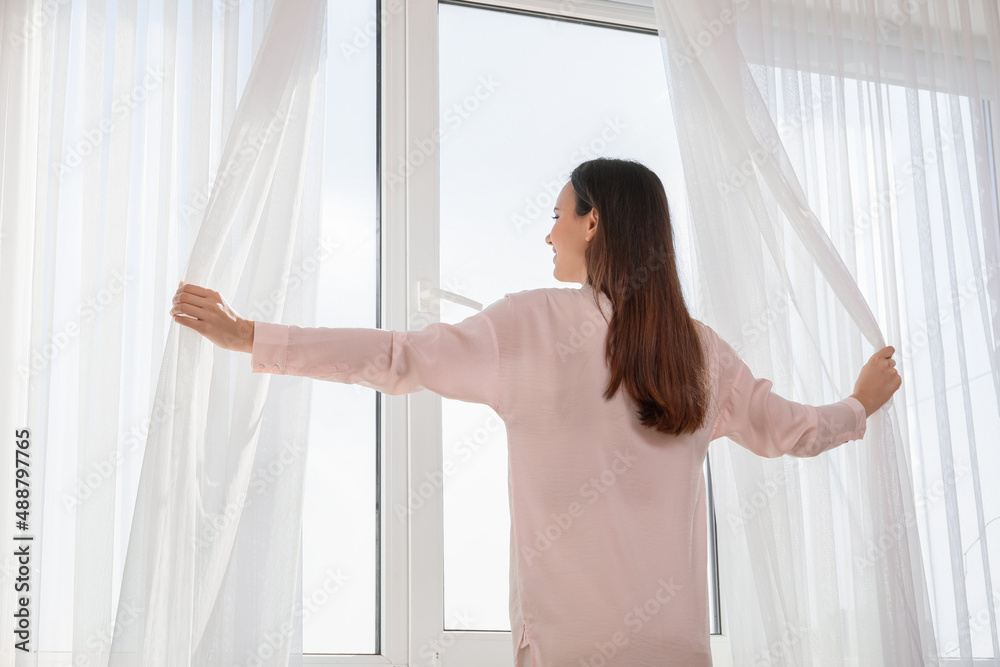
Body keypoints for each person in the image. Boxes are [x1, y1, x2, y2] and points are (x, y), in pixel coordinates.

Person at [170, 157, 900, 666]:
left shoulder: (528, 324)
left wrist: (253, 337)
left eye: (557, 215)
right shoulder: (698, 350)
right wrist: (859, 402)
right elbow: (792, 430)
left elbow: (397, 356)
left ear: (592, 222)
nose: (547, 232)